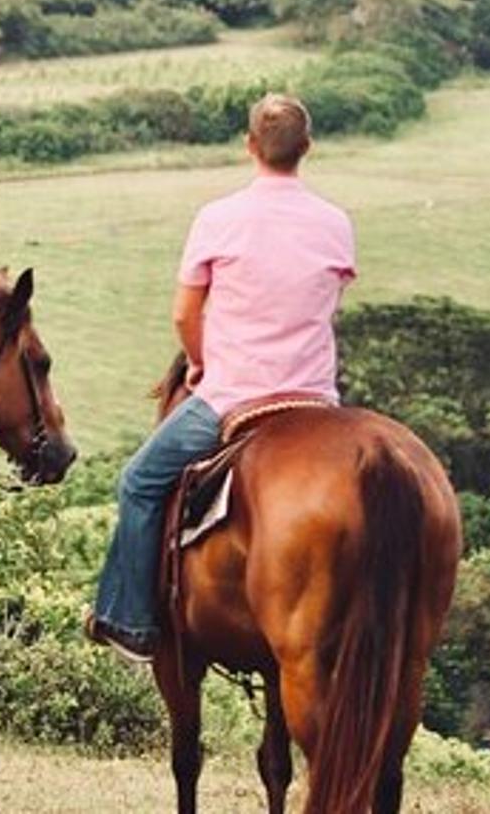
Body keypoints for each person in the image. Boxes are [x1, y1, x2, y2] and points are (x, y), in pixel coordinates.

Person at [85, 93, 356, 662]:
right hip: (314, 400)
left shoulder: (218, 218)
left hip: (235, 397)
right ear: (307, 148)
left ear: (248, 146)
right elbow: (325, 301)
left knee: (137, 482)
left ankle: (128, 620)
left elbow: (185, 314)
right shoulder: (336, 222)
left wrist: (201, 359)